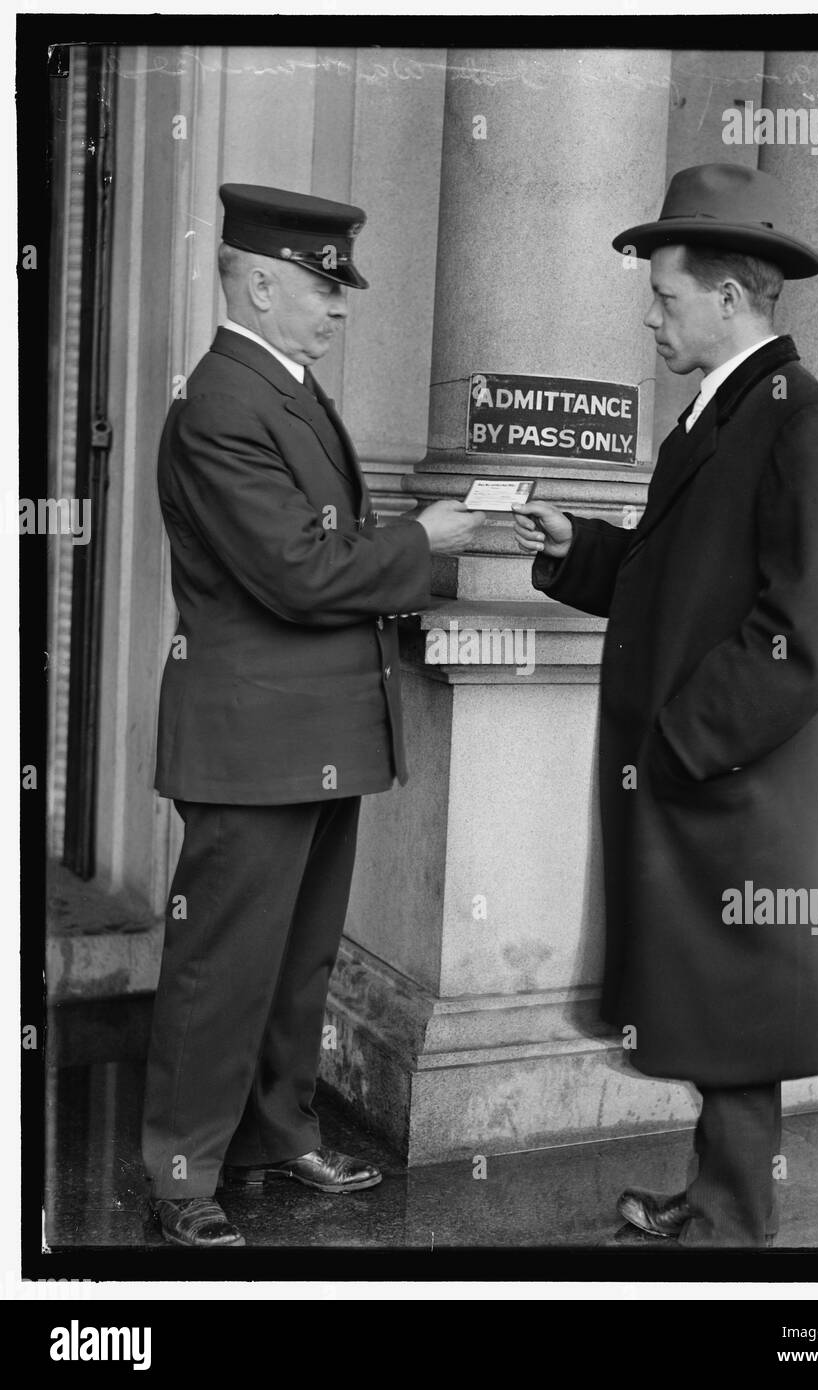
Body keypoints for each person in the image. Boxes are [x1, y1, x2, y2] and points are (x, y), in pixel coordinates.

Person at [513, 164, 818, 1248]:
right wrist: (582, 550)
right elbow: (681, 582)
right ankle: (719, 1200)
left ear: (728, 298)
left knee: (734, 1009)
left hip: (725, 779)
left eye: (665, 295)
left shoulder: (802, 420)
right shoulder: (718, 416)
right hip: (705, 779)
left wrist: (682, 739)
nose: (649, 313)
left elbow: (809, 622)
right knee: (717, 1006)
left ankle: (727, 1230)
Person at [144, 183, 483, 1247]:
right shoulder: (221, 402)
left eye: (339, 291)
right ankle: (181, 1171)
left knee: (296, 958)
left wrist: (440, 542)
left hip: (312, 736)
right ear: (255, 282)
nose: (339, 310)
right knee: (224, 967)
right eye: (320, 288)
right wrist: (427, 540)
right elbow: (296, 571)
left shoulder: (278, 387)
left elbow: (325, 554)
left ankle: (270, 1135)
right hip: (256, 743)